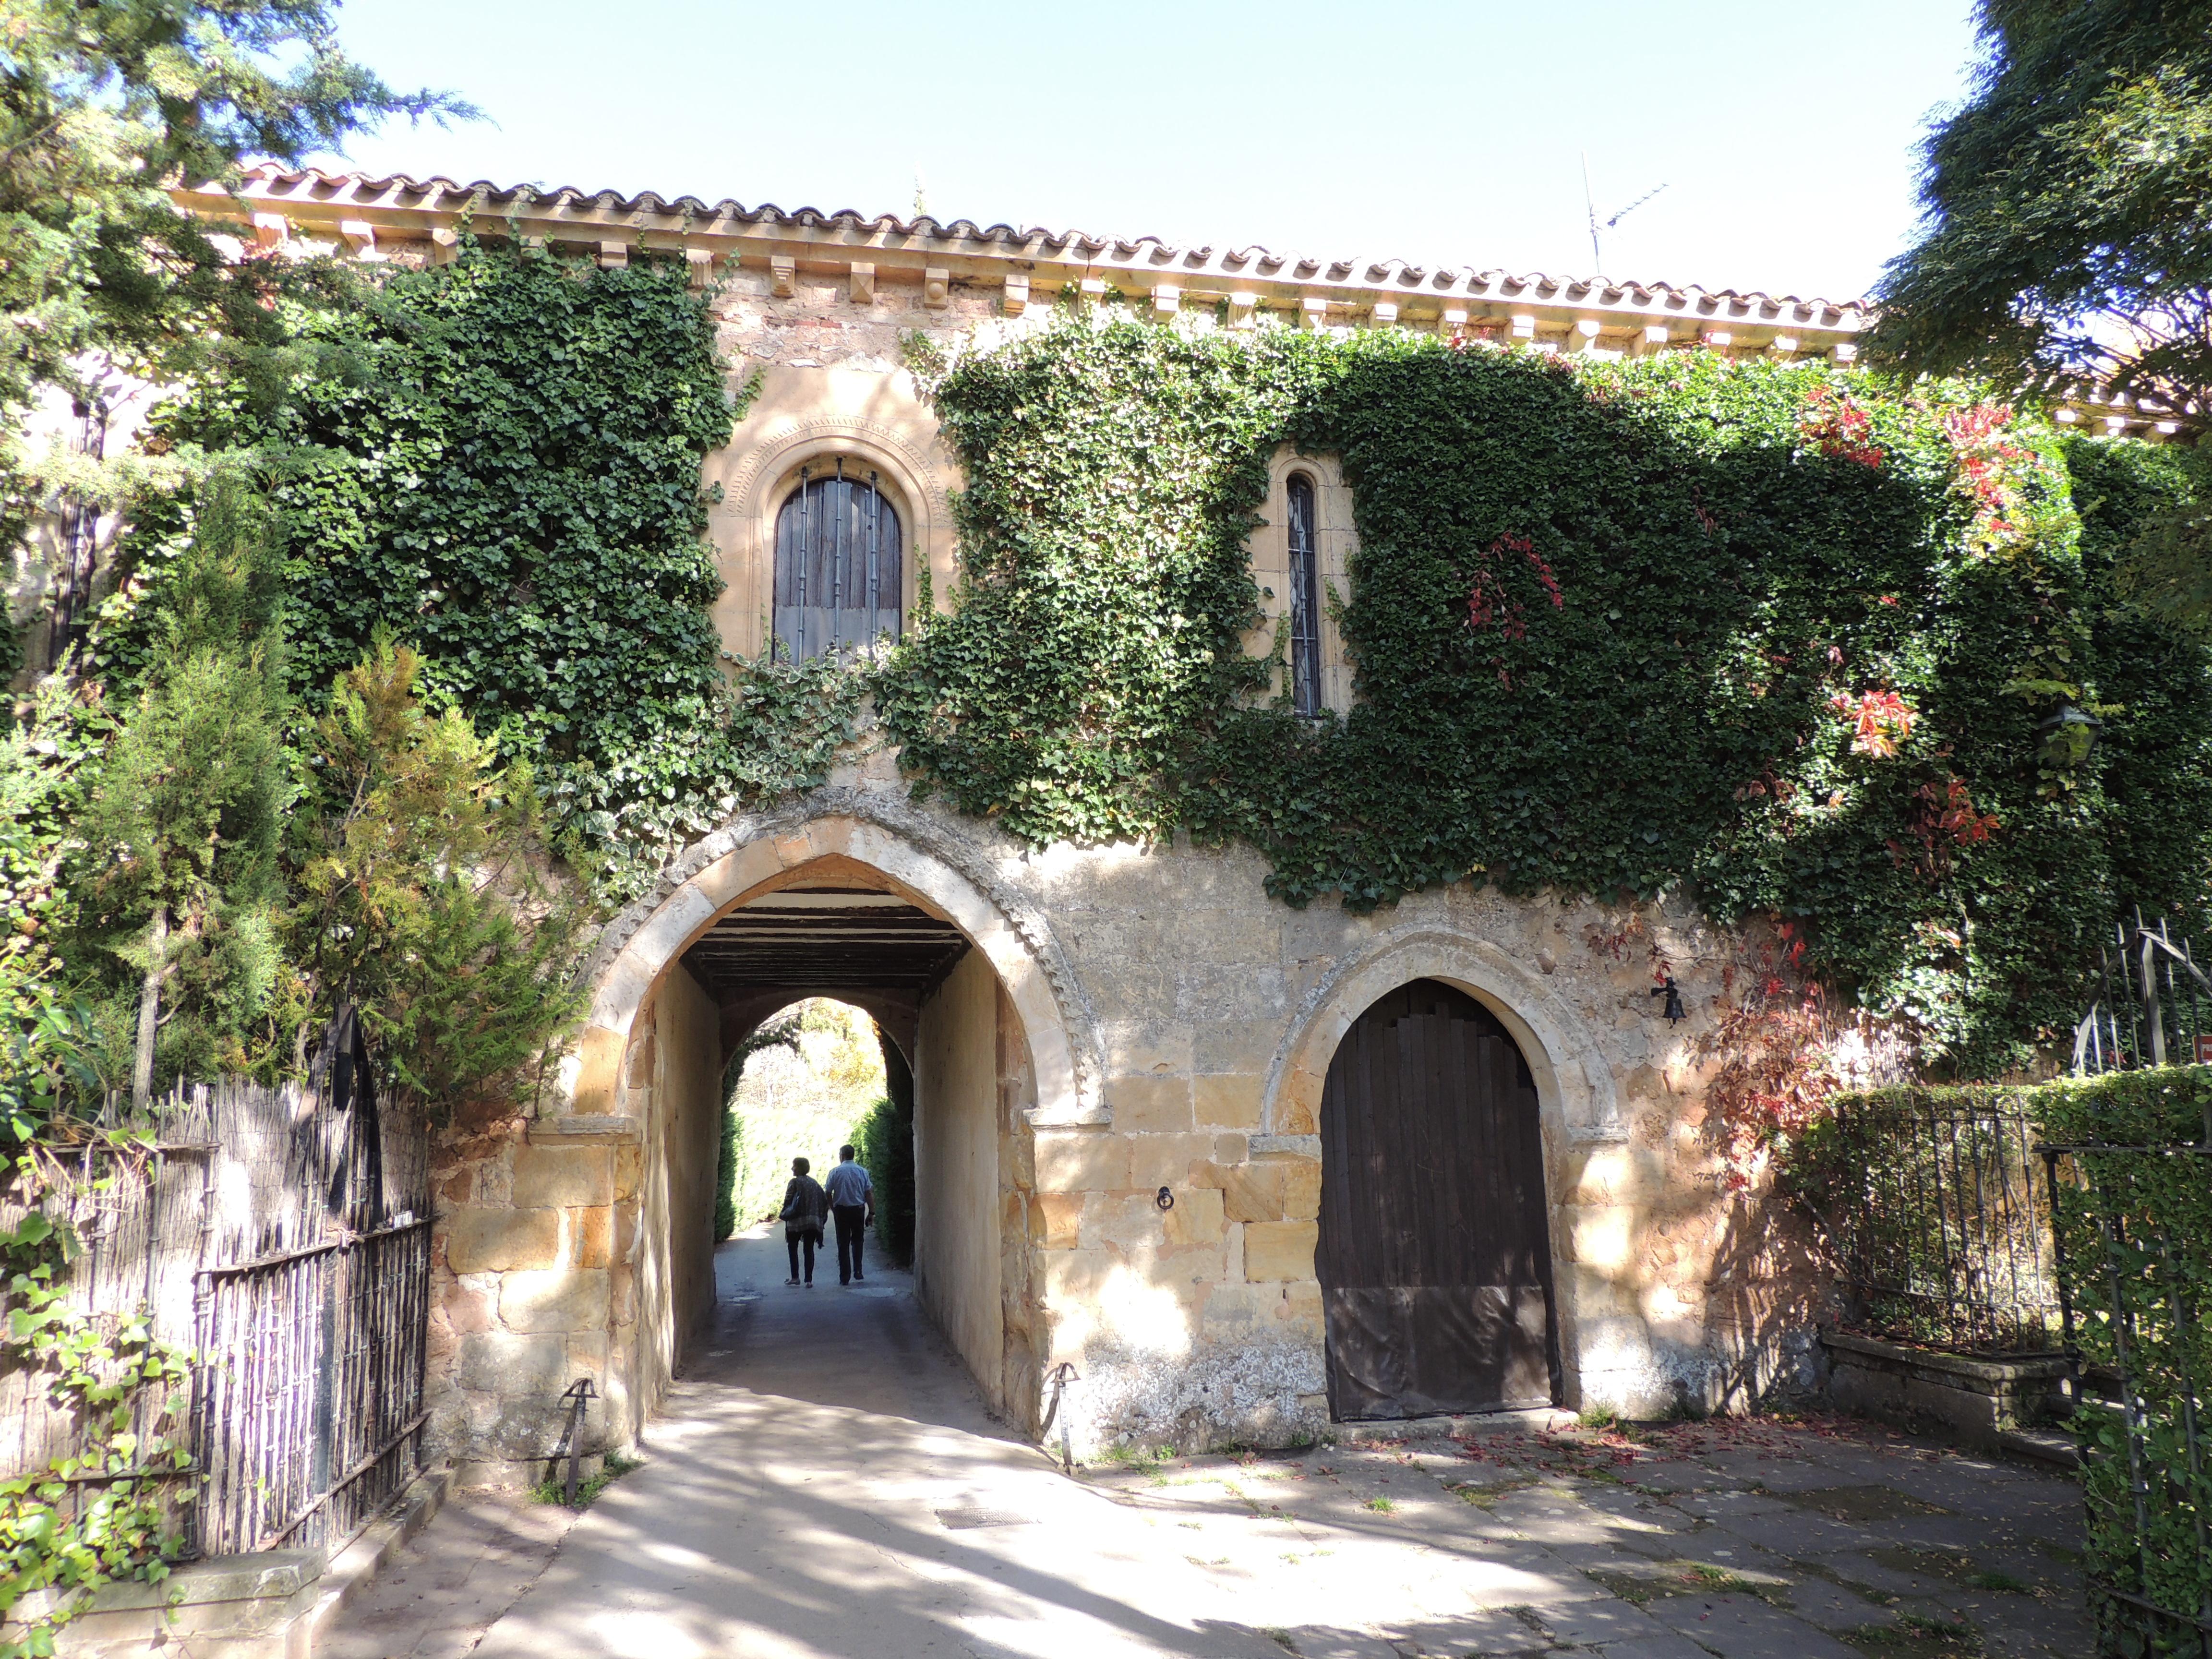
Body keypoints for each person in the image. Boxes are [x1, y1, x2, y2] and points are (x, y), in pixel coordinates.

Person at [823, 1143, 874, 1286]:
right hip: (858, 1210)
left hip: (842, 1211)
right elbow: (869, 1193)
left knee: (843, 1243)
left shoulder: (835, 1172)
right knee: (858, 1241)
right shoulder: (862, 1171)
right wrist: (871, 1212)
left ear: (842, 1156)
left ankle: (844, 1277)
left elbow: (828, 1192)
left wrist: (833, 1208)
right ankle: (858, 1271)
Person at [779, 1156, 829, 1287]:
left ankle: (795, 1277)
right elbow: (824, 1202)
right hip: (812, 1222)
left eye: (794, 1166)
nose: (792, 1168)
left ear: (799, 1168)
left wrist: (785, 1212)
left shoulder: (794, 1183)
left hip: (796, 1222)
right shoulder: (814, 1183)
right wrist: (820, 1219)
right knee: (809, 1249)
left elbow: (788, 1200)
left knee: (793, 1247)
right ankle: (809, 1280)